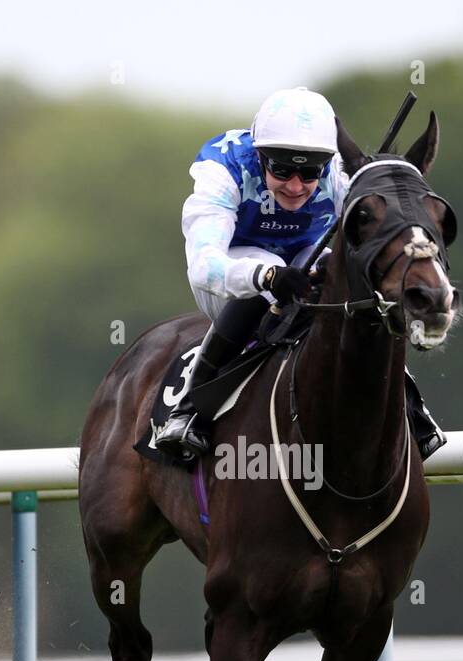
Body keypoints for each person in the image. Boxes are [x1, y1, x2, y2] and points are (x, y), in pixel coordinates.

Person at [155, 86, 446, 462]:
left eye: (309, 172)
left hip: (301, 257)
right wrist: (266, 278)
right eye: (281, 169)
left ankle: (410, 403)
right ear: (260, 157)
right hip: (233, 272)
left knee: (344, 280)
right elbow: (204, 265)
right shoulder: (223, 170)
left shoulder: (339, 177)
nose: (295, 185)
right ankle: (189, 405)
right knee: (278, 275)